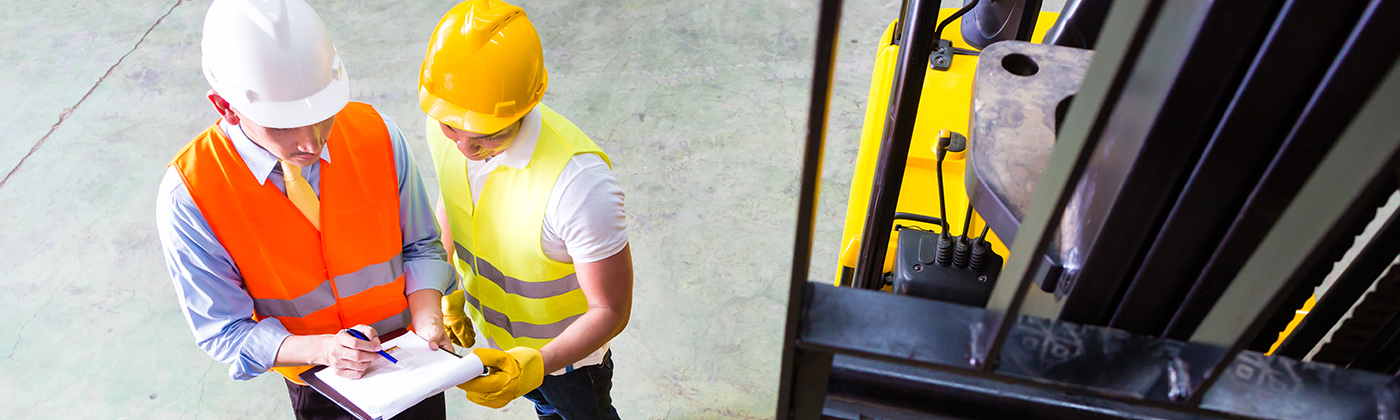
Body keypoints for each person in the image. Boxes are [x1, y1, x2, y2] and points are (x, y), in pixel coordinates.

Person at [156, 1, 455, 418]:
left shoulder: (376, 135)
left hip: (413, 363)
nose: (312, 143)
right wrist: (324, 350)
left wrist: (427, 321)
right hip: (320, 384)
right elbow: (224, 329)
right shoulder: (192, 194)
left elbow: (421, 246)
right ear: (225, 107)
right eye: (283, 125)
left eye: (322, 117)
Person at [418, 1, 634, 418]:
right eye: (451, 128)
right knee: (546, 412)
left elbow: (610, 310)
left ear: (525, 104)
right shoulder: (447, 116)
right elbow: (454, 194)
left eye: (488, 135)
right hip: (500, 342)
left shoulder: (579, 184)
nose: (463, 147)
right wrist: (447, 286)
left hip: (570, 361)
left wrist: (534, 366)